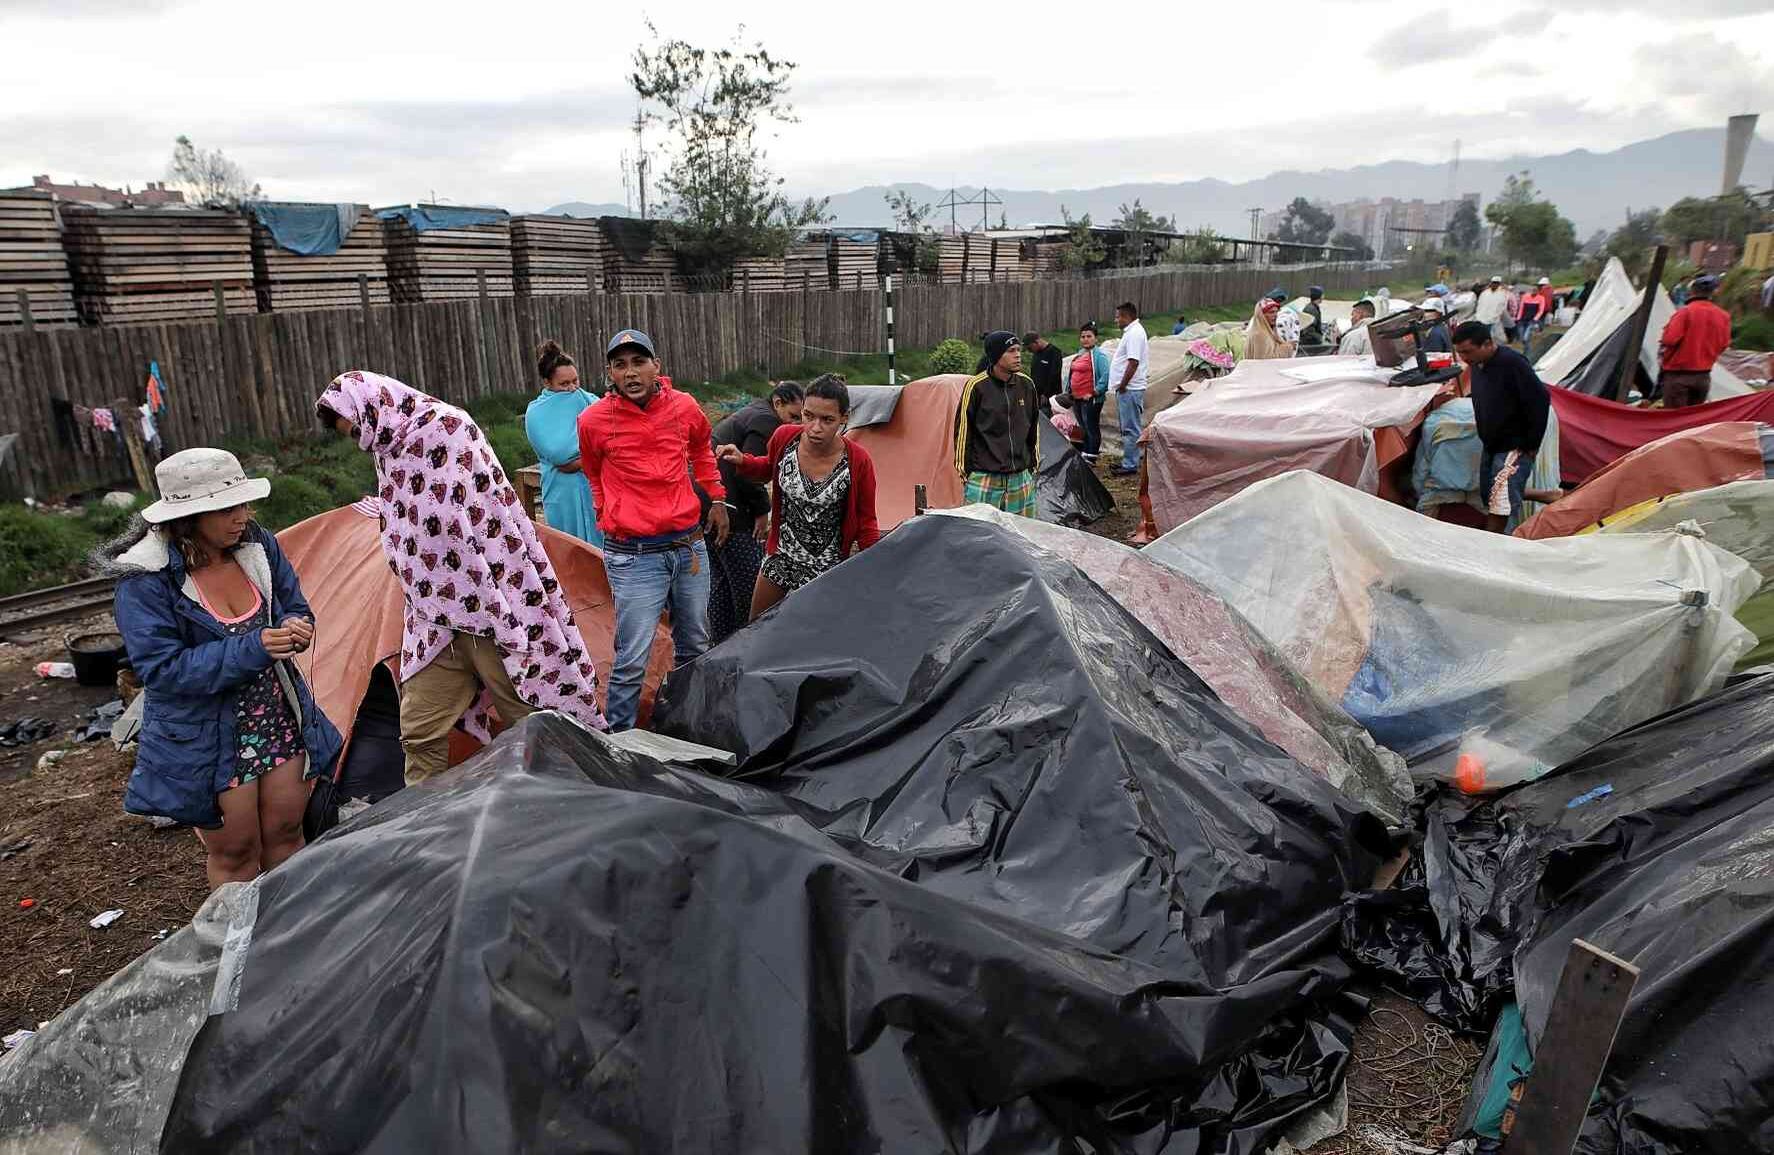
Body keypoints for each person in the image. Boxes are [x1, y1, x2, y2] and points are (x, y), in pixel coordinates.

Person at [316, 371, 607, 776]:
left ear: (375, 406)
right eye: (354, 436)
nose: (364, 442)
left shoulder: (450, 429)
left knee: (531, 720)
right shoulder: (388, 449)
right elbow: (407, 520)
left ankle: (564, 808)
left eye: (360, 429)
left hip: (491, 607)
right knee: (419, 730)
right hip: (433, 618)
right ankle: (430, 827)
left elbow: (490, 519)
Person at [108, 448, 342, 888]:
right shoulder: (145, 579)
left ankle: (292, 938)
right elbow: (162, 669)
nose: (243, 516)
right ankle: (240, 949)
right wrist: (253, 647)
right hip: (208, 738)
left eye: (243, 504)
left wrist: (297, 624)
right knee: (236, 854)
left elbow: (292, 603)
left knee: (287, 835)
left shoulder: (255, 545)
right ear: (190, 516)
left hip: (277, 721)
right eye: (228, 508)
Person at [577, 328, 730, 730]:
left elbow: (701, 446)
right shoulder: (593, 421)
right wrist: (605, 507)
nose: (631, 372)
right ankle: (622, 744)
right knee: (633, 657)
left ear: (656, 366)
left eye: (638, 362)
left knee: (695, 645)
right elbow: (593, 471)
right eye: (620, 365)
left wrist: (715, 496)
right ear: (610, 373)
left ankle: (690, 728)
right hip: (633, 556)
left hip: (688, 548)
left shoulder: (684, 407)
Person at [715, 374, 880, 618]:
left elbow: (867, 523)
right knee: (756, 631)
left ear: (844, 418)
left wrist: (875, 571)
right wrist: (744, 461)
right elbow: (768, 467)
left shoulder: (858, 461)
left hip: (827, 570)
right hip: (781, 559)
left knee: (813, 640)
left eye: (827, 420)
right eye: (808, 416)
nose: (815, 427)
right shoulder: (785, 438)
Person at [706, 380, 804, 644]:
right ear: (778, 404)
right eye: (794, 417)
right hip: (729, 508)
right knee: (750, 581)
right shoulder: (767, 422)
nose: (797, 425)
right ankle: (747, 645)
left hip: (707, 501)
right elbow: (747, 472)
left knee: (722, 582)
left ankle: (719, 645)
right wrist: (763, 511)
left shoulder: (754, 412)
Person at [1452, 321, 1552, 533]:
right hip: (1492, 443)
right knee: (1490, 491)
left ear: (1487, 344)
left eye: (1468, 351)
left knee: (1501, 500)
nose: (1464, 358)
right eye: (1460, 352)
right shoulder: (1477, 365)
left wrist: (1531, 443)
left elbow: (1540, 399)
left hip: (1514, 444)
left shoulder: (1512, 363)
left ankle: (1497, 545)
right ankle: (1550, 496)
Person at [523, 340, 602, 546]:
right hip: (562, 492)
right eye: (564, 384)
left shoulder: (588, 399)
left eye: (576, 381)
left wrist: (577, 462)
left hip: (594, 486)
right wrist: (587, 458)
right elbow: (558, 453)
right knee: (570, 551)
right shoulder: (536, 413)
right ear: (547, 383)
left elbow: (610, 435)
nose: (572, 388)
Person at [955, 330, 1040, 514]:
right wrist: (967, 474)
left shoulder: (1027, 385)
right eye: (1010, 351)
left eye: (1018, 349)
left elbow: (1034, 429)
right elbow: (963, 433)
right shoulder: (976, 387)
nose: (1017, 355)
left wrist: (1032, 466)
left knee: (1021, 537)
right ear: (995, 355)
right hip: (984, 478)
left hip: (1021, 478)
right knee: (979, 537)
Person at [1657, 273, 1732, 408]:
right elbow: (1724, 344)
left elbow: (1669, 340)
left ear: (1692, 291)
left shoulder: (1685, 313)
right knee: (1693, 421)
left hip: (1678, 377)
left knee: (1675, 421)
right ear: (1712, 293)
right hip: (1703, 377)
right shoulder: (1723, 316)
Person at [1109, 301, 1149, 475]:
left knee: (1130, 428)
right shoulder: (1132, 332)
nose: (1116, 320)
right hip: (1128, 389)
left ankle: (1130, 464)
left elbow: (1133, 362)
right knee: (1127, 427)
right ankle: (1129, 460)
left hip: (1130, 389)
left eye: (1118, 316)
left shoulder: (1134, 334)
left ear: (1126, 316)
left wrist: (1123, 385)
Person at [1069, 321, 1110, 461]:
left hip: (1090, 399)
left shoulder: (1099, 356)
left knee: (1091, 427)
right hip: (1077, 398)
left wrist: (1093, 392)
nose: (1085, 339)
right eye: (1083, 336)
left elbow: (1105, 377)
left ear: (1095, 338)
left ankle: (1092, 455)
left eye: (1089, 336)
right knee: (1083, 427)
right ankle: (1085, 452)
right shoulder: (1080, 354)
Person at [1245, 296, 1295, 360]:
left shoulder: (1268, 332)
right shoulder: (1260, 334)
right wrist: (1288, 347)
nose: (1275, 315)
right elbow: (1265, 361)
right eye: (1271, 312)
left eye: (1276, 312)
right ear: (1262, 316)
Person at [1515, 278, 1553, 356]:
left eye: (1536, 290)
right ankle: (1526, 350)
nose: (1534, 291)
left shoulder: (1541, 298)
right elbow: (1521, 308)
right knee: (1522, 338)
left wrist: (1535, 319)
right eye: (1533, 290)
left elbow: (1541, 310)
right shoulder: (1525, 297)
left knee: (1526, 338)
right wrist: (1518, 318)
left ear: (1538, 291)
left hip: (1531, 321)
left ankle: (1527, 353)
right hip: (1522, 319)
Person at [1024, 331, 1063, 406]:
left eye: (1030, 348)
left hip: (1051, 397)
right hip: (1037, 396)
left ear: (1036, 342)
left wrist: (1045, 394)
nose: (1030, 351)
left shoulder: (1054, 352)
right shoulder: (1036, 354)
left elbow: (1055, 375)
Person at [1475, 275, 1510, 347]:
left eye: (1497, 283)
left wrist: (1495, 316)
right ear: (1491, 283)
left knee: (1492, 337)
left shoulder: (1503, 293)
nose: (1494, 284)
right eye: (1493, 282)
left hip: (1493, 320)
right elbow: (1480, 304)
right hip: (1481, 318)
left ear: (1499, 284)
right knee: (1482, 336)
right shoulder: (1485, 293)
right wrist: (1478, 315)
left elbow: (1502, 307)